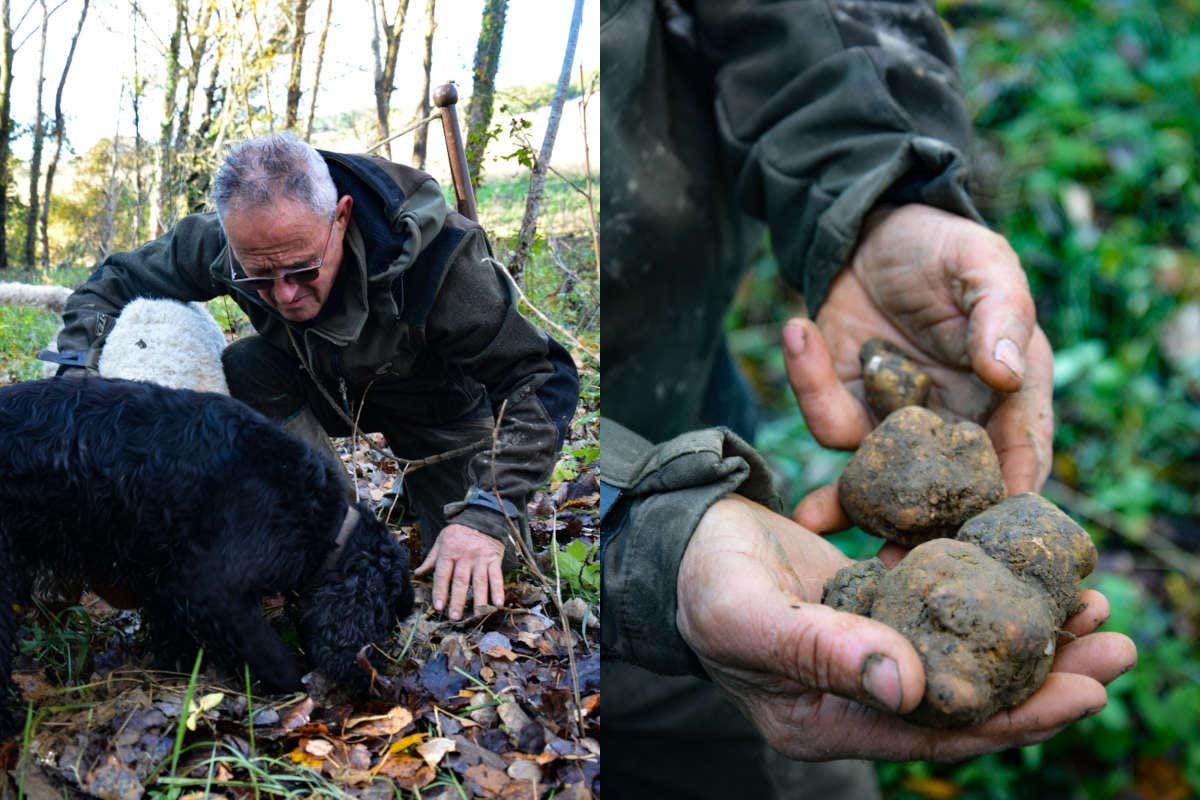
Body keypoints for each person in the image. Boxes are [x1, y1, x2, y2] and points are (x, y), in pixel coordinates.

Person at [600, 1, 1136, 797]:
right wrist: (648, 538)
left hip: (676, 405)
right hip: (620, 489)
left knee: (779, 754)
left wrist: (877, 189)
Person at [52, 133, 579, 622]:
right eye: (258, 274)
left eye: (303, 269)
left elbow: (541, 375)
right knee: (246, 364)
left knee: (478, 581)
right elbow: (110, 281)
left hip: (439, 410)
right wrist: (75, 374)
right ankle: (328, 521)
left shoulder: (442, 261)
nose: (284, 294)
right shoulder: (225, 241)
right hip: (318, 387)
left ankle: (427, 498)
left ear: (341, 218)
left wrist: (489, 509)